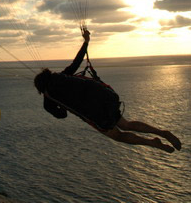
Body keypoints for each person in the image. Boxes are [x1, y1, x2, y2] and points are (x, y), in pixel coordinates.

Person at [34, 29, 182, 153]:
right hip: (106, 99)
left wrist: (60, 105)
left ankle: (152, 143)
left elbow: (62, 115)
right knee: (126, 124)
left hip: (95, 113)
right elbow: (77, 61)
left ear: (40, 89)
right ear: (48, 73)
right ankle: (162, 133)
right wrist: (86, 41)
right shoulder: (64, 75)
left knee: (117, 135)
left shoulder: (48, 101)